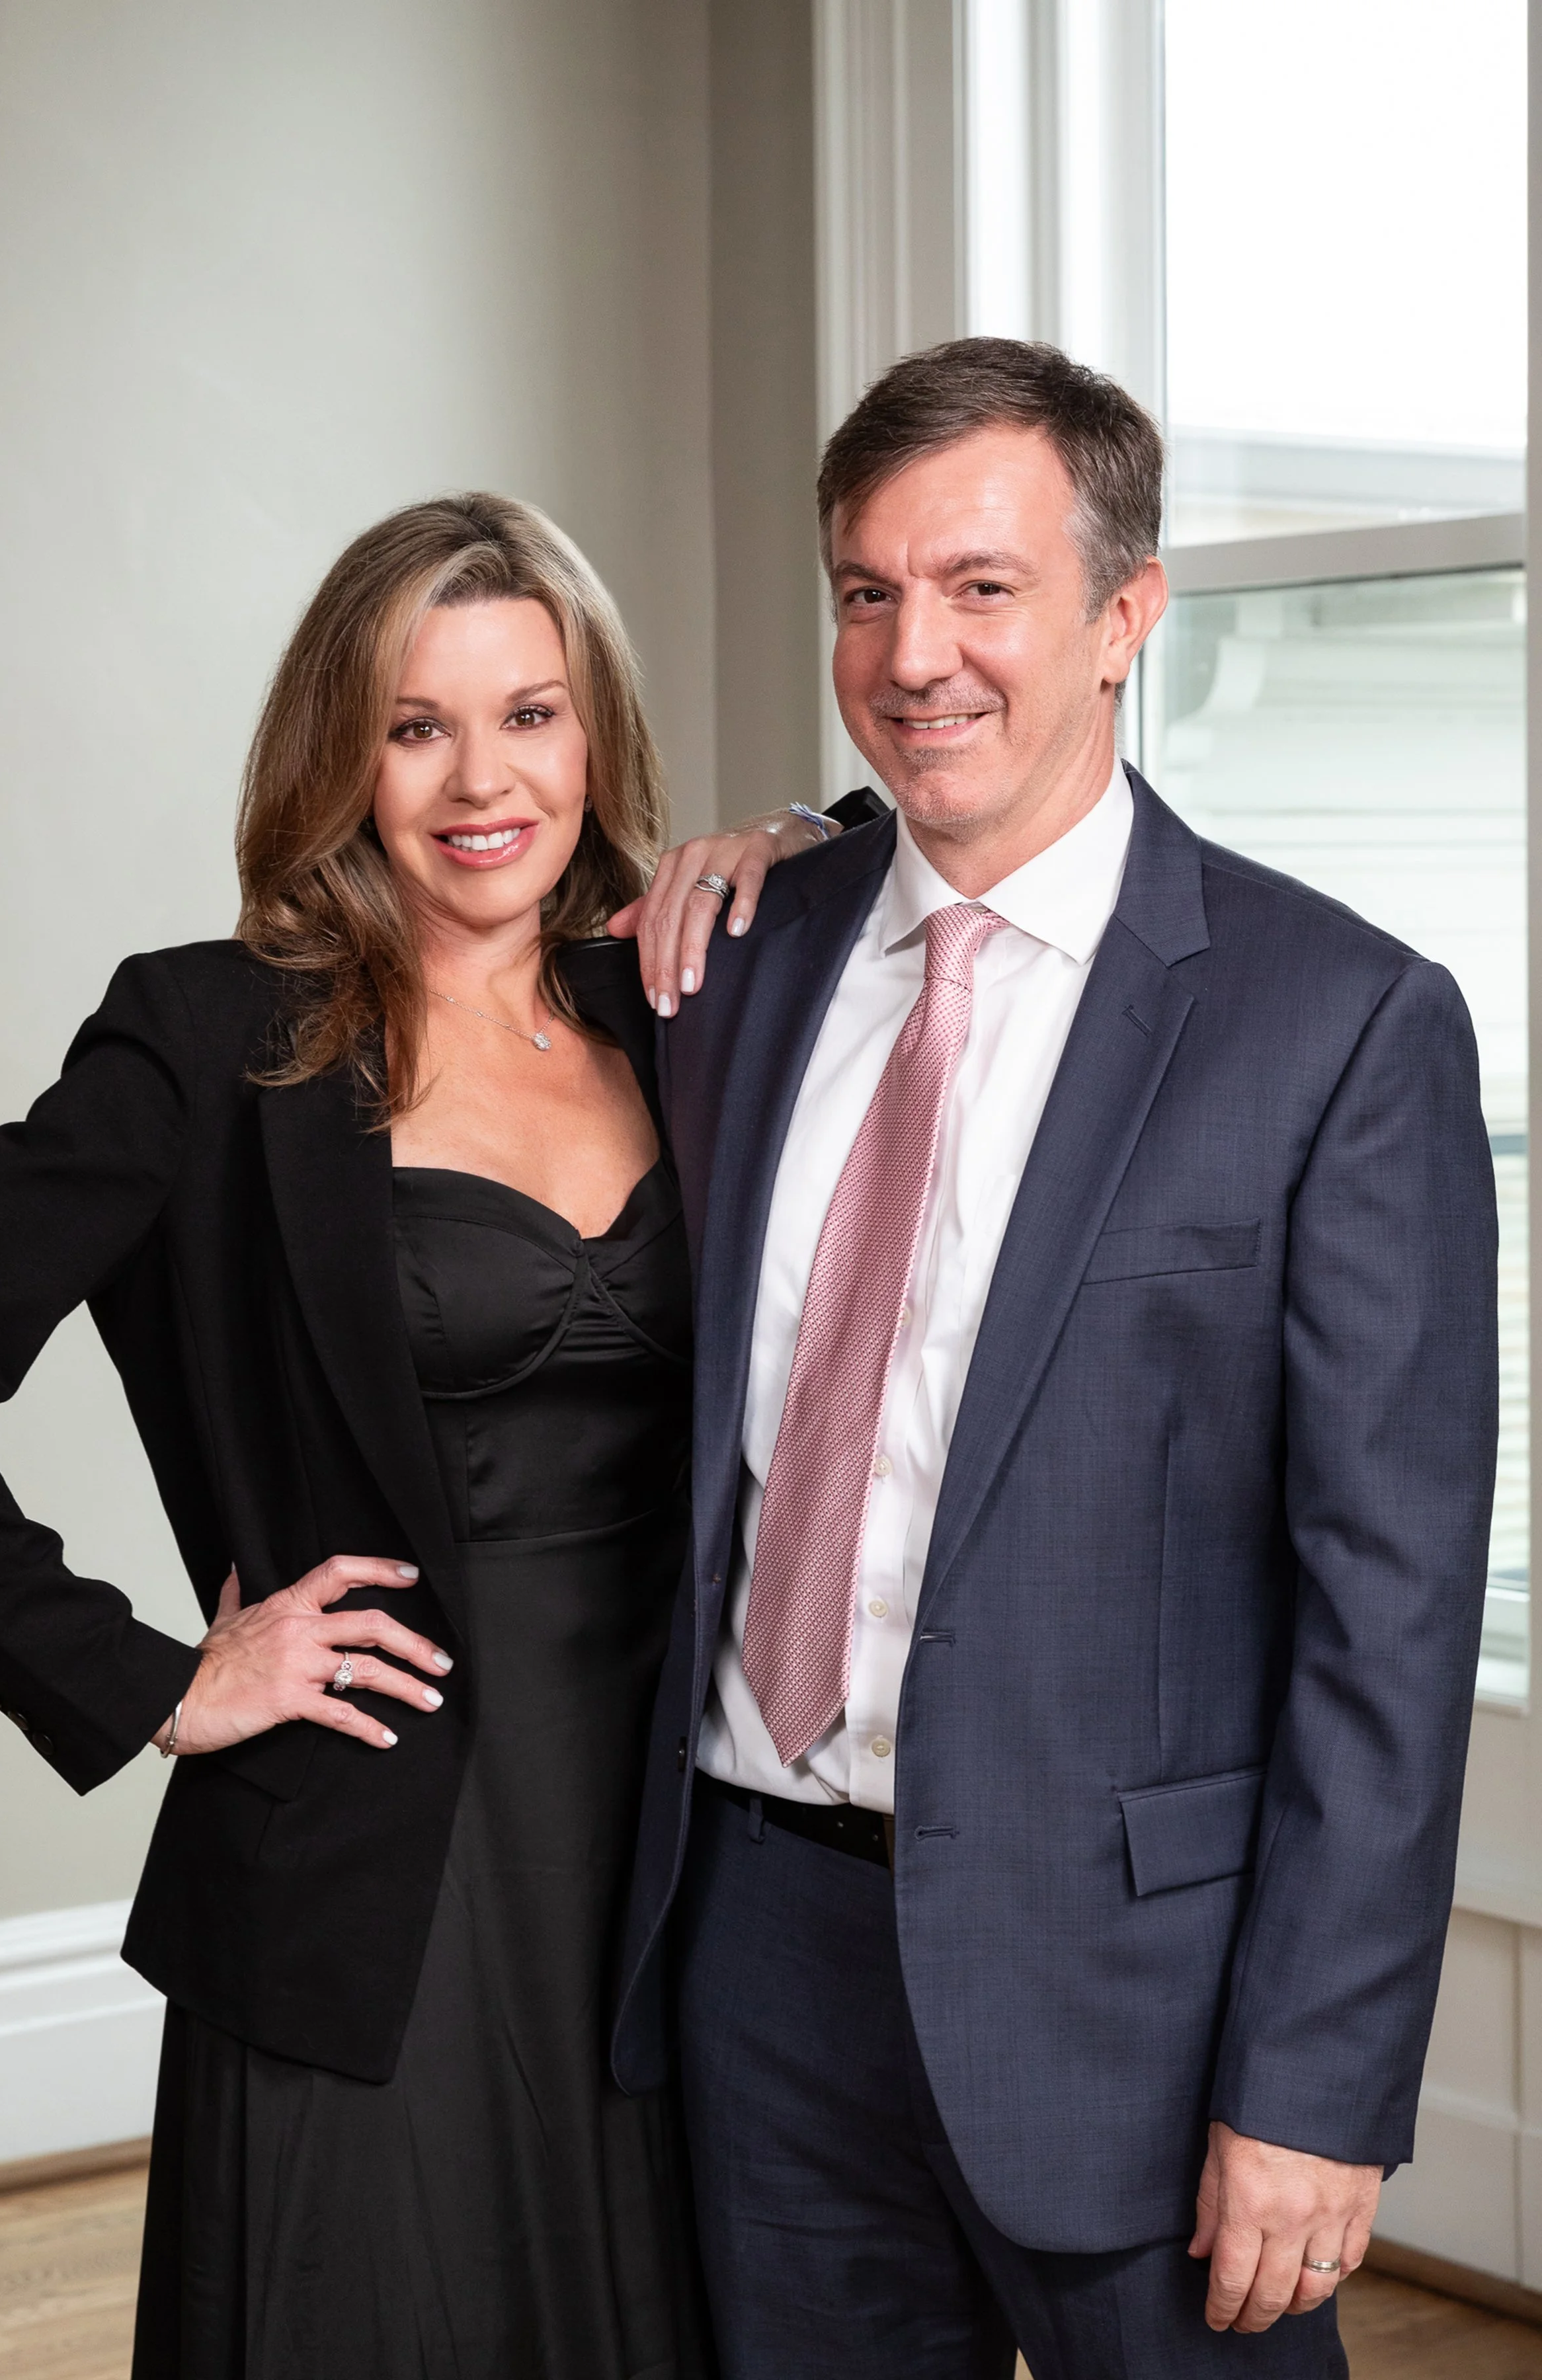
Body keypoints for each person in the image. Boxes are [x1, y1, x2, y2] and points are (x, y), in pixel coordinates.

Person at [610, 339, 1500, 2379]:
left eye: (982, 588)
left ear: (1124, 614)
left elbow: (1390, 1617)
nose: (914, 652)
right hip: (762, 1952)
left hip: (1144, 2007)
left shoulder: (1337, 1024)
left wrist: (1318, 2082)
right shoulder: (733, 962)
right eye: (867, 591)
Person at [0, 492, 827, 2380]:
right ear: (339, 757)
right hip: (367, 1882)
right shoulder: (209, 1036)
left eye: (531, 714)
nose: (479, 780)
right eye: (415, 726)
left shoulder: (676, 1007)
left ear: (596, 734)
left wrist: (802, 837)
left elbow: (931, 882)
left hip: (671, 1869)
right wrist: (146, 1681)